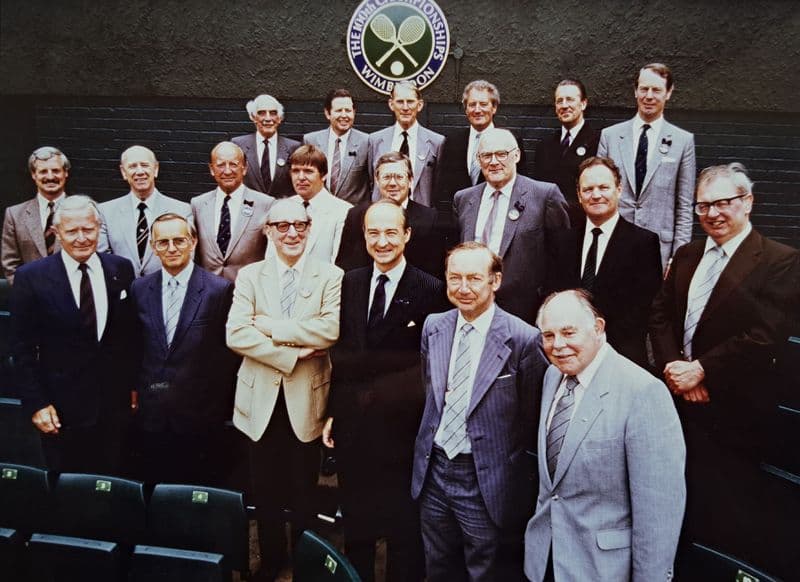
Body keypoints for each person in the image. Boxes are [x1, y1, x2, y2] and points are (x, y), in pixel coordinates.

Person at [649, 163, 800, 576]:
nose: (712, 213)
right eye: (702, 206)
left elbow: (766, 334)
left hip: (733, 411)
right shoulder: (687, 254)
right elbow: (660, 315)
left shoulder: (780, 261)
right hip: (677, 401)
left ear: (747, 203)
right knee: (672, 499)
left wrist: (702, 370)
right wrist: (674, 370)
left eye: (723, 203)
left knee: (725, 511)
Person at [524, 289, 685, 582]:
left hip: (602, 570)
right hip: (545, 561)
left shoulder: (643, 393)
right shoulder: (552, 376)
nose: (558, 345)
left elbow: (659, 517)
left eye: (568, 333)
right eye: (548, 336)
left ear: (598, 328)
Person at [324, 199, 447, 582]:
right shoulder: (350, 281)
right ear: (363, 236)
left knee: (401, 527)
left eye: (391, 232)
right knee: (356, 520)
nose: (382, 241)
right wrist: (332, 409)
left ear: (407, 235)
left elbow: (424, 367)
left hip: (401, 429)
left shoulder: (430, 289)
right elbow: (341, 352)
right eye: (373, 233)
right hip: (352, 422)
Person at [412, 242, 548, 582]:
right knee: (437, 563)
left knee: (483, 567)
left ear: (495, 281)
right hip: (436, 469)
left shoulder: (523, 339)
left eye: (474, 278)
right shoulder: (434, 326)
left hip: (484, 476)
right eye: (454, 278)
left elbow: (531, 415)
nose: (463, 288)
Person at [226, 199, 343, 581]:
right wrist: (292, 354)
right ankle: (272, 560)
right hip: (258, 399)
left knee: (304, 490)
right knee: (265, 490)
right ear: (268, 231)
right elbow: (237, 333)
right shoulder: (249, 276)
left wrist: (270, 327)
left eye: (300, 225)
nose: (291, 232)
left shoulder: (331, 276)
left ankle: (306, 562)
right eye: (282, 226)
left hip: (306, 399)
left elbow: (329, 330)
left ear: (310, 228)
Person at [10, 195, 136, 474]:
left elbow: (128, 338)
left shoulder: (120, 269)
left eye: (88, 229)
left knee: (113, 488)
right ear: (57, 233)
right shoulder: (31, 277)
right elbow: (22, 349)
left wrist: (133, 387)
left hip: (114, 409)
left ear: (98, 228)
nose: (81, 238)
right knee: (70, 494)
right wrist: (37, 404)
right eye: (72, 231)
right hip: (62, 410)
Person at [130, 213, 238, 485]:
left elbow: (224, 359)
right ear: (153, 247)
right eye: (163, 242)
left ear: (193, 242)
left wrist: (215, 406)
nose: (171, 248)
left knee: (196, 491)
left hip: (200, 416)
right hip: (153, 413)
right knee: (156, 489)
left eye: (179, 240)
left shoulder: (218, 290)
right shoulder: (139, 289)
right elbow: (135, 349)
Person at [545, 157, 662, 367]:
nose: (596, 195)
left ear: (619, 190)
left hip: (621, 358)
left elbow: (643, 308)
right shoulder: (562, 242)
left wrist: (594, 345)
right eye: (588, 189)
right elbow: (553, 296)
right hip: (569, 357)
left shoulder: (644, 243)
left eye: (603, 187)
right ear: (579, 195)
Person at [453, 128, 569, 322]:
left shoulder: (544, 196)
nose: (494, 161)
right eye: (486, 155)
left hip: (525, 312)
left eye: (501, 154)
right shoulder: (464, 199)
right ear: (478, 160)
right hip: (473, 308)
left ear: (516, 155)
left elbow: (562, 259)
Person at [598, 63, 695, 270]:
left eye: (657, 90)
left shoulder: (683, 141)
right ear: (635, 91)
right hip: (613, 243)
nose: (649, 96)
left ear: (668, 93)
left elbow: (685, 205)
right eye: (644, 89)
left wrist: (678, 257)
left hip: (659, 249)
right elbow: (597, 193)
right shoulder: (610, 136)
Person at [337, 151, 446, 277]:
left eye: (399, 177)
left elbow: (435, 271)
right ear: (377, 181)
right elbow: (345, 264)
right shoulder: (356, 215)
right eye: (386, 177)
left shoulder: (430, 219)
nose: (393, 183)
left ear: (410, 180)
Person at [98, 145, 191, 277]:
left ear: (156, 169)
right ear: (123, 172)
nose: (140, 171)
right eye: (133, 166)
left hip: (164, 290)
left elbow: (187, 256)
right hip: (123, 291)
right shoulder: (105, 212)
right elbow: (103, 259)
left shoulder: (181, 210)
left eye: (145, 165)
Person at [435, 80, 527, 211]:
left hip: (498, 213)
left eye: (483, 104)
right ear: (466, 109)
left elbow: (520, 184)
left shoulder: (511, 140)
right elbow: (444, 186)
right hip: (459, 218)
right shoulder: (452, 142)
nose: (477, 110)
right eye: (472, 105)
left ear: (494, 108)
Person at [191, 141, 275, 281]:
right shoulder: (198, 204)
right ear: (212, 169)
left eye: (233, 164)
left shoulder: (266, 204)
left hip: (248, 290)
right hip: (208, 292)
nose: (227, 171)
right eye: (221, 165)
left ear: (245, 168)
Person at [533, 79, 600, 226]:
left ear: (583, 103)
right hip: (547, 224)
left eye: (570, 99)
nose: (564, 105)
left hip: (582, 224)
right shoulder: (544, 146)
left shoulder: (598, 142)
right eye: (559, 101)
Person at [367, 81, 445, 207]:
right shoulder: (375, 140)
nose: (405, 107)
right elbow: (371, 181)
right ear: (391, 104)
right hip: (383, 214)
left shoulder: (436, 142)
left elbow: (437, 187)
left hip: (420, 217)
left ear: (419, 105)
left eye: (410, 101)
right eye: (399, 102)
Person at [2, 146, 71, 283]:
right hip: (31, 298)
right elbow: (10, 264)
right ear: (34, 174)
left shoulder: (84, 211)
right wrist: (28, 293)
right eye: (43, 171)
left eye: (56, 170)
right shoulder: (15, 215)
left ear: (65, 173)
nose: (50, 177)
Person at [303, 88, 370, 206]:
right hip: (319, 211)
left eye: (348, 110)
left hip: (353, 214)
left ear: (354, 113)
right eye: (339, 110)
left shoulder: (367, 141)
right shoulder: (311, 140)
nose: (344, 115)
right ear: (328, 113)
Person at [289, 144, 352, 263]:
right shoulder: (283, 207)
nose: (301, 177)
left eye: (308, 171)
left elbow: (338, 264)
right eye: (296, 171)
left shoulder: (344, 211)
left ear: (324, 176)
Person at [232, 93, 301, 198]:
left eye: (273, 113)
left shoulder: (294, 147)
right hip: (248, 209)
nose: (268, 118)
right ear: (253, 117)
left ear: (280, 118)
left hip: (281, 210)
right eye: (262, 113)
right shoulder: (238, 145)